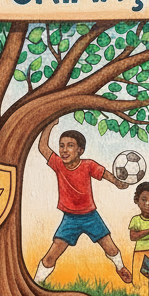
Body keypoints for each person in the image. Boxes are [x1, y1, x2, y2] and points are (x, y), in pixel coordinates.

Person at [32, 121, 132, 285]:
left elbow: (105, 173)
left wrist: (117, 182)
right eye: (62, 145)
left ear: (80, 150)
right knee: (51, 255)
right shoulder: (58, 164)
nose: (64, 150)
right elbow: (43, 147)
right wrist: (49, 124)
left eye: (70, 145)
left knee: (112, 249)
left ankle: (121, 268)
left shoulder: (87, 165)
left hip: (91, 217)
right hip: (70, 219)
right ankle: (35, 284)